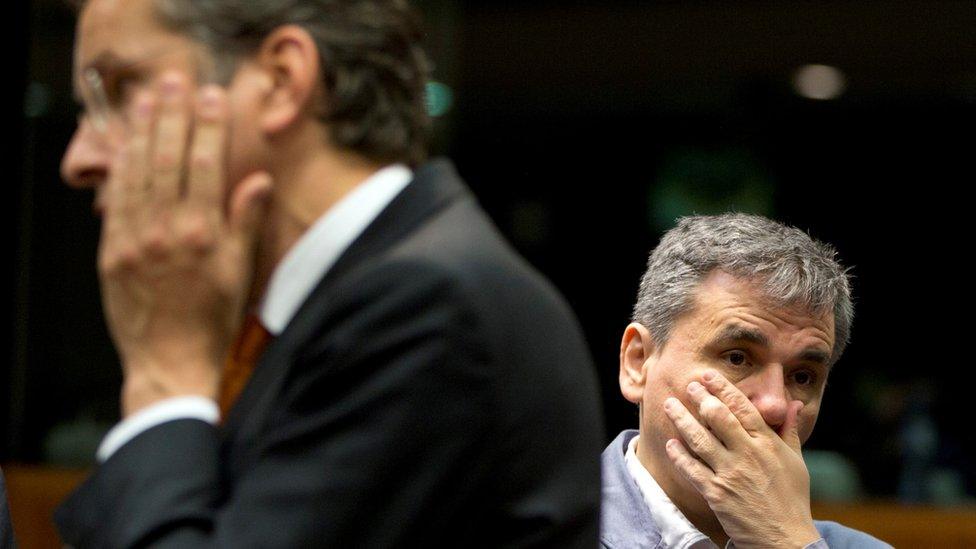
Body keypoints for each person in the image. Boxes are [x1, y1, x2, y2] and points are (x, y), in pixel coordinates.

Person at [54, 0, 603, 547]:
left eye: (120, 88)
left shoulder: (428, 309)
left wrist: (163, 377)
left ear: (280, 80)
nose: (78, 159)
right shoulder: (350, 305)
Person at [601, 213, 891, 548]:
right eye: (737, 358)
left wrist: (787, 541)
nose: (775, 406)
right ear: (638, 362)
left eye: (802, 376)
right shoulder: (550, 529)